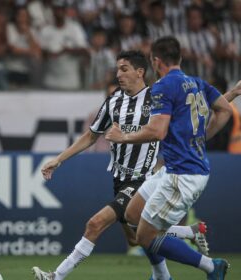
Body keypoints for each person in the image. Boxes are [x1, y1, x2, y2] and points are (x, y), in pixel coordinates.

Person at [32, 50, 208, 280]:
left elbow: (194, 112)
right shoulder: (114, 100)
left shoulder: (158, 97)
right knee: (137, 238)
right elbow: (92, 135)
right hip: (119, 179)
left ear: (140, 71)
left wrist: (229, 96)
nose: (118, 74)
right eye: (117, 69)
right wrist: (59, 159)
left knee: (95, 224)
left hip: (142, 179)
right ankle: (186, 237)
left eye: (124, 69)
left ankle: (55, 276)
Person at [105, 36, 234, 280]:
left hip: (182, 175)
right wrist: (200, 138)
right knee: (132, 216)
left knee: (145, 237)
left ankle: (210, 266)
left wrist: (122, 137)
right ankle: (163, 273)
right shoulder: (196, 83)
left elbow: (157, 131)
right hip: (174, 169)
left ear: (155, 61)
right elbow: (225, 110)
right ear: (180, 59)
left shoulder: (163, 86)